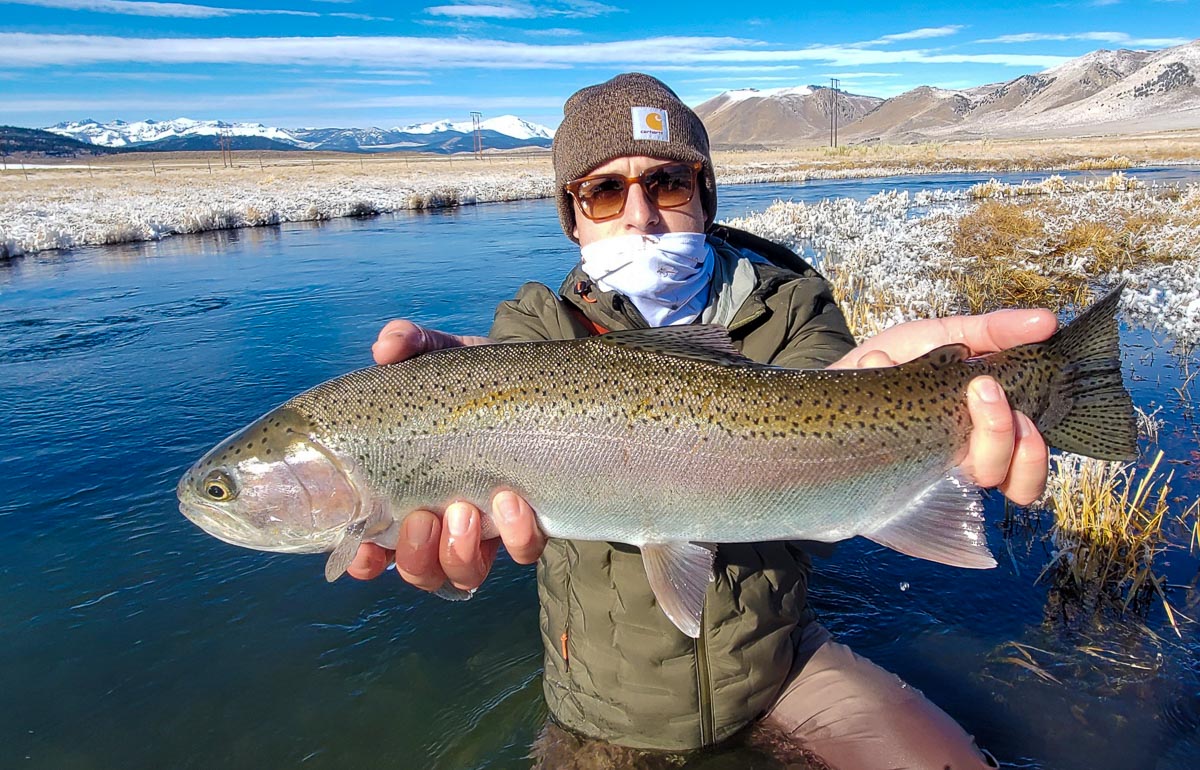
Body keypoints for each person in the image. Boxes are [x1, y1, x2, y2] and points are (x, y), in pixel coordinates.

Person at [349, 73, 1054, 768]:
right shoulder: (536, 333)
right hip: (605, 705)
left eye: (667, 183)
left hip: (778, 668)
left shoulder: (790, 310)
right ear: (572, 216)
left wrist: (906, 408)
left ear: (705, 194)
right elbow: (499, 385)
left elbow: (832, 420)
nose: (639, 214)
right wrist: (459, 410)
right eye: (603, 190)